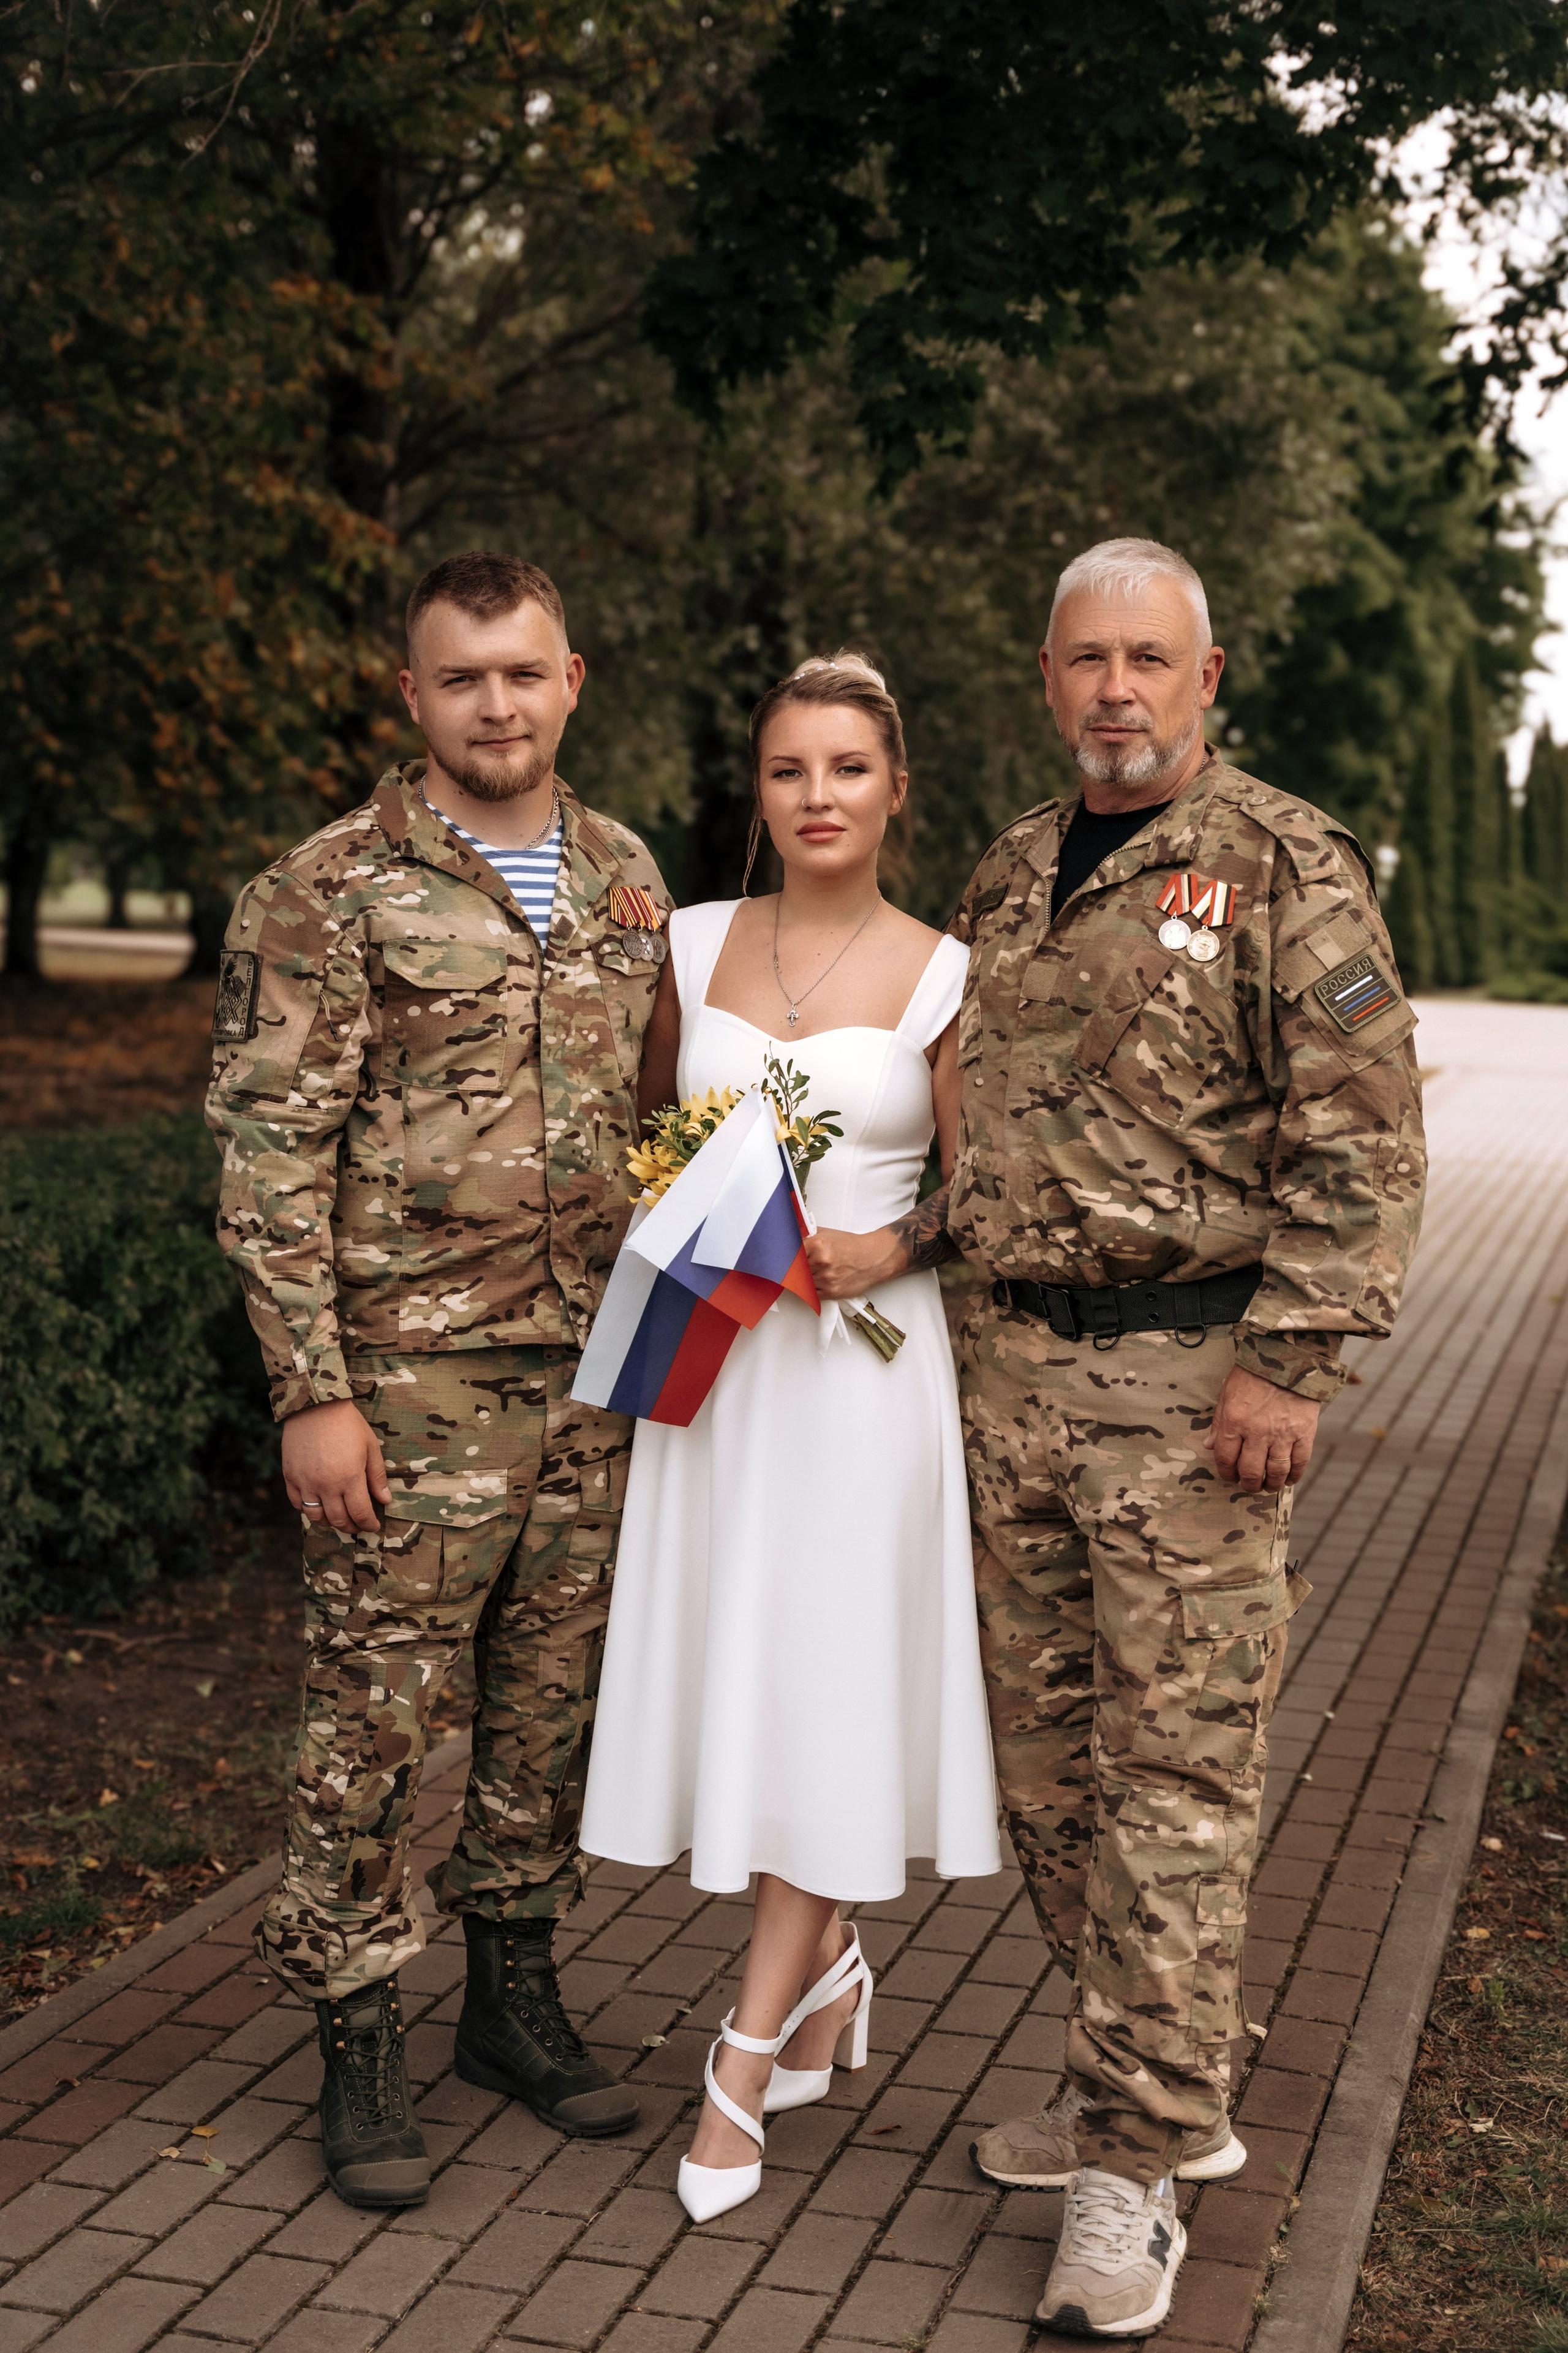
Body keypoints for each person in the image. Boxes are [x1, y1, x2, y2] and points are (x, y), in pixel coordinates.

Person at [935, 539, 1428, 2336]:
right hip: (1016, 1397)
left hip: (1192, 1407)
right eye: (1087, 659)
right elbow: (977, 1124)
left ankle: (1136, 2166)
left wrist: (1290, 1363)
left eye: (1148, 658)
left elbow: (1366, 1133)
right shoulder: (1008, 871)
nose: (1115, 689)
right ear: (1046, 676)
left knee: (1173, 1787)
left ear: (1205, 677)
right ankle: (1150, 2073)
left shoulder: (1288, 865)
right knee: (1048, 1781)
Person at [205, 550, 671, 2210]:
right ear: (413, 694)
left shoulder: (626, 875)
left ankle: (510, 2001)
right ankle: (358, 2032)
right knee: (375, 1721)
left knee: (547, 1709)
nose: (496, 704)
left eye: (523, 671)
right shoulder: (325, 887)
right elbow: (270, 1154)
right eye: (462, 676)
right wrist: (309, 1392)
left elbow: (659, 1117)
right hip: (406, 1388)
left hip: (595, 1376)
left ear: (571, 681)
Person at [579, 652, 1002, 2223]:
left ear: (894, 790)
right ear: (754, 792)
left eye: (846, 768)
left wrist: (895, 1243)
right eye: (786, 769)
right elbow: (644, 1137)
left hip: (860, 1378)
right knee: (748, 1680)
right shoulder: (685, 943)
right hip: (721, 1373)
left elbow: (985, 1186)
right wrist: (694, 1202)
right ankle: (828, 1973)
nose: (817, 795)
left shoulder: (946, 972)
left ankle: (742, 2059)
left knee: (828, 1686)